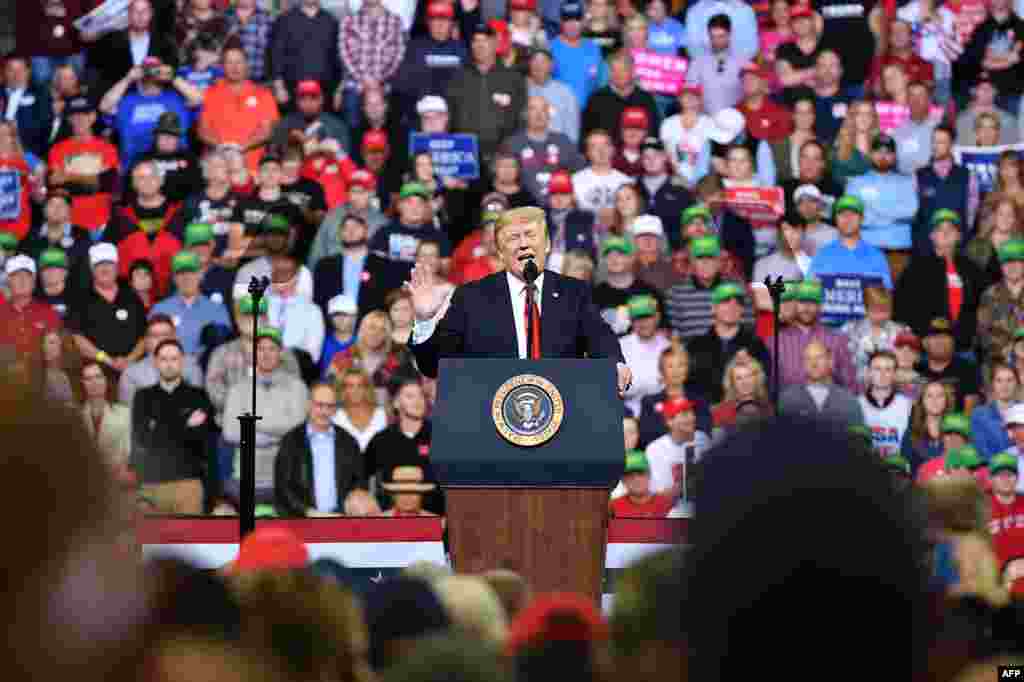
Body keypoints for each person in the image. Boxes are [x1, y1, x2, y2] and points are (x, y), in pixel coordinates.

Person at [406, 207, 631, 392]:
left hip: (562, 416)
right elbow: (433, 365)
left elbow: (599, 337)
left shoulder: (573, 293)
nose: (523, 244)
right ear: (501, 253)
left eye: (531, 235)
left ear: (547, 244)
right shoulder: (471, 297)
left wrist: (615, 364)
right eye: (513, 237)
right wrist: (425, 320)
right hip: (490, 420)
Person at [222, 327, 309, 505]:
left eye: (272, 348)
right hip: (246, 479)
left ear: (281, 353)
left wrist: (254, 426)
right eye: (261, 349)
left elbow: (298, 428)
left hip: (287, 478)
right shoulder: (238, 389)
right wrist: (276, 434)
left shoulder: (297, 387)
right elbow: (230, 432)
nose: (266, 354)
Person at [130, 338, 214, 515]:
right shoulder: (143, 397)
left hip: (188, 484)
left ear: (182, 361)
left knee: (190, 534)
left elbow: (199, 440)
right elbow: (144, 439)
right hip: (151, 485)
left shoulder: (199, 396)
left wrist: (158, 426)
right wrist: (185, 424)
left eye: (174, 359)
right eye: (164, 359)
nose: (169, 364)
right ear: (155, 362)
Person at [894, 210, 984, 357]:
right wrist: (919, 339)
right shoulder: (915, 269)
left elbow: (980, 308)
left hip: (963, 349)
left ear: (959, 236)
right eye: (939, 229)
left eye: (950, 229)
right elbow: (900, 311)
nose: (945, 233)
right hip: (926, 350)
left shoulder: (972, 270)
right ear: (932, 235)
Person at [273, 381, 367, 517]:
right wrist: (309, 512)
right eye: (319, 405)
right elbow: (283, 488)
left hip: (341, 518)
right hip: (301, 519)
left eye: (330, 406)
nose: (324, 411)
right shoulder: (291, 441)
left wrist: (347, 510)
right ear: (308, 405)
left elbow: (359, 483)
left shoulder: (349, 442)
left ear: (336, 409)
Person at [446, 23, 527, 164]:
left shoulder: (513, 78)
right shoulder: (458, 77)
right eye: (476, 41)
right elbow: (449, 116)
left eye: (485, 40)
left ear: (495, 43)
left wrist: (510, 151)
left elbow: (521, 119)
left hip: (503, 156)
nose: (480, 45)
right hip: (464, 153)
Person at [364, 378, 444, 514]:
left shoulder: (441, 437)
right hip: (391, 520)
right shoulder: (381, 440)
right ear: (396, 403)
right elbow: (362, 477)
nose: (417, 401)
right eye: (410, 396)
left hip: (435, 518)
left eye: (421, 396)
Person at [198, 44, 279, 175]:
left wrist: (240, 148)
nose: (234, 67)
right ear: (222, 66)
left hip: (251, 168)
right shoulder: (210, 93)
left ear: (246, 64)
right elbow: (203, 130)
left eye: (239, 62)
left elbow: (266, 131)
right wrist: (223, 147)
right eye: (229, 62)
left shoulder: (263, 94)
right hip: (218, 168)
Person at [687, 281, 770, 404]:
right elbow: (689, 387)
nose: (732, 307)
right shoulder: (696, 346)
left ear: (742, 309)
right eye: (725, 301)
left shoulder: (756, 345)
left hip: (745, 411)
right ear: (713, 308)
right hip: (704, 411)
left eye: (738, 303)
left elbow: (765, 386)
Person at [68, 243, 147, 373]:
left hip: (133, 369)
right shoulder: (80, 300)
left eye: (109, 263)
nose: (105, 268)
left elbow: (144, 336)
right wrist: (107, 360)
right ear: (92, 269)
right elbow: (79, 339)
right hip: (97, 371)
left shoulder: (132, 296)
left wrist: (129, 360)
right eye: (99, 264)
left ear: (117, 267)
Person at [46, 96, 120, 234]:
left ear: (93, 116)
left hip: (100, 222)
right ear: (69, 119)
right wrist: (94, 178)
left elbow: (109, 183)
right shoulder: (57, 149)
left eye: (84, 114)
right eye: (74, 115)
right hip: (69, 224)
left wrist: (68, 177)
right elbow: (56, 184)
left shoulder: (107, 148)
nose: (79, 119)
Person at [774, 279, 858, 390]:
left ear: (820, 306)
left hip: (829, 400)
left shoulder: (837, 340)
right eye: (802, 302)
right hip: (787, 400)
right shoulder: (777, 340)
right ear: (793, 304)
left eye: (812, 302)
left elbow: (850, 383)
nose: (807, 307)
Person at [844, 134, 920, 254]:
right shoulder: (855, 183)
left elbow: (911, 211)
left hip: (899, 248)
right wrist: (893, 216)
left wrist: (873, 212)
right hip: (864, 249)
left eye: (888, 152)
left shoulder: (907, 182)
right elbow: (851, 217)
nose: (882, 156)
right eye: (878, 151)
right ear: (870, 154)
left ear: (894, 156)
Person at [337, 0, 406, 132]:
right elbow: (344, 54)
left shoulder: (395, 21)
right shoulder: (349, 21)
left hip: (385, 83)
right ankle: (354, 141)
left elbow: (398, 55)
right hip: (356, 83)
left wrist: (379, 80)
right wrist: (364, 79)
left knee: (398, 107)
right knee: (350, 105)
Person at [150, 252, 232, 357]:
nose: (186, 277)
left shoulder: (217, 309)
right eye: (181, 273)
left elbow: (226, 348)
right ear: (174, 277)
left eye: (191, 272)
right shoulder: (160, 309)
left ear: (200, 274)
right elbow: (151, 347)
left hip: (206, 365)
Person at [912, 125, 976, 257]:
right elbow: (915, 213)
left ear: (951, 145)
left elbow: (971, 215)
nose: (935, 146)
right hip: (926, 249)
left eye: (941, 142)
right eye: (934, 141)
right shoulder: (918, 175)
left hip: (959, 249)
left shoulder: (968, 176)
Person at [269, 0, 342, 112]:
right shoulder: (284, 20)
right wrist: (279, 87)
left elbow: (338, 59)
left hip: (325, 92)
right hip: (291, 91)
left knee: (323, 123)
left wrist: (338, 91)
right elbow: (276, 55)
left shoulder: (331, 21)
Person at [808, 194, 894, 288]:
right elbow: (809, 291)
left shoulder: (876, 256)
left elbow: (885, 294)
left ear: (862, 219)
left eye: (853, 214)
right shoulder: (822, 255)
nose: (847, 218)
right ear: (835, 219)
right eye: (842, 214)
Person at [636, 341, 712, 447]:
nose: (676, 371)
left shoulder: (699, 400)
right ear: (661, 370)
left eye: (681, 365)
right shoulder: (649, 401)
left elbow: (704, 432)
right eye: (670, 366)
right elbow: (646, 436)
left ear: (687, 369)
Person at [118, 314, 204, 406]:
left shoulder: (191, 367)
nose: (161, 340)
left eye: (166, 335)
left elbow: (197, 404)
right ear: (146, 341)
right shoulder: (131, 374)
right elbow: (128, 411)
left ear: (175, 337)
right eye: (155, 336)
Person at [643, 396, 708, 512]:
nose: (691, 418)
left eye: (691, 412)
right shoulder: (656, 449)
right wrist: (685, 483)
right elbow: (658, 496)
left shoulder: (703, 439)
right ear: (669, 421)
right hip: (672, 511)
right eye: (684, 414)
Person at [581, 49, 659, 144]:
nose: (618, 74)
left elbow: (653, 134)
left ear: (633, 72)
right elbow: (586, 135)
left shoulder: (646, 99)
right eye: (614, 70)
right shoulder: (596, 99)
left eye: (623, 70)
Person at [779, 341, 864, 426]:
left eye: (819, 357)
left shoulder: (848, 400)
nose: (813, 363)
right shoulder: (788, 399)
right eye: (808, 359)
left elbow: (857, 433)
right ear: (803, 364)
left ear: (830, 361)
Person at [0, 254, 62, 360]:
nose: (22, 280)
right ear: (8, 281)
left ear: (33, 281)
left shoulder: (50, 314)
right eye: (16, 275)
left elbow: (55, 357)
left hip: (38, 369)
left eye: (27, 276)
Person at [913, 318, 982, 411]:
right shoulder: (916, 369)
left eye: (945, 336)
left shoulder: (968, 369)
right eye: (935, 336)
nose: (940, 341)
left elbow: (970, 411)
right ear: (925, 342)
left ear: (953, 342)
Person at [684, 14, 745, 116]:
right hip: (704, 118)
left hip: (734, 119)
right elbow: (689, 93)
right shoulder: (697, 62)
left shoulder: (743, 62)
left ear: (730, 35)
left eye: (721, 36)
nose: (716, 41)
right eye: (713, 37)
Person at [620, 295, 671, 416]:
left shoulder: (668, 346)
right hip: (628, 414)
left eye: (647, 317)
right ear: (631, 321)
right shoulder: (620, 346)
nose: (643, 323)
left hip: (662, 412)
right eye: (638, 318)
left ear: (657, 317)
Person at [977, 239, 1024, 368]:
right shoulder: (988, 295)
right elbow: (983, 335)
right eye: (1007, 262)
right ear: (1001, 266)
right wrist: (1010, 352)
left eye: (1017, 261)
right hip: (999, 366)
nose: (1012, 267)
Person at [79, 360, 131, 475]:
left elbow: (130, 453)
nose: (94, 382)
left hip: (118, 479)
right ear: (82, 383)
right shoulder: (76, 417)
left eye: (98, 377)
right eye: (88, 378)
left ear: (105, 380)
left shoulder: (125, 413)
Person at [859, 350, 913, 458]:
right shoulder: (856, 405)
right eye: (877, 369)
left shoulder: (908, 405)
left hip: (898, 466)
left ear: (895, 374)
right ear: (869, 372)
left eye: (888, 369)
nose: (882, 374)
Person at [900, 379, 956, 473]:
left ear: (946, 400)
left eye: (940, 395)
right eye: (929, 396)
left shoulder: (956, 432)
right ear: (922, 401)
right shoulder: (911, 433)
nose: (934, 400)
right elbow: (904, 467)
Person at [525, 50, 580, 144]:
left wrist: (569, 148)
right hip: (529, 147)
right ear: (529, 65)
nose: (538, 66)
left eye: (543, 62)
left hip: (559, 147)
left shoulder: (565, 92)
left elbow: (572, 127)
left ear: (551, 66)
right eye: (534, 61)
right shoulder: (523, 90)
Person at [333, 367, 389, 451]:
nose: (355, 390)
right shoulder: (335, 416)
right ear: (343, 390)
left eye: (360, 385)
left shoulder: (381, 414)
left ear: (367, 388)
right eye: (350, 386)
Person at [972, 362, 1018, 460]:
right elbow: (982, 450)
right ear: (992, 384)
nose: (1004, 385)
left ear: (1017, 383)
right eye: (999, 380)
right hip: (992, 467)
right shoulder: (979, 414)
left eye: (1009, 380)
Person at [609, 451, 674, 518]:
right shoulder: (612, 507)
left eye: (640, 473)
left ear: (649, 475)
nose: (636, 479)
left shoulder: (666, 505)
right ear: (623, 480)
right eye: (629, 475)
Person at [988, 452, 1024, 567]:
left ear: (1017, 478)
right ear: (990, 479)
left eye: (1010, 474)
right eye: (1000, 475)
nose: (1005, 479)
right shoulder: (980, 509)